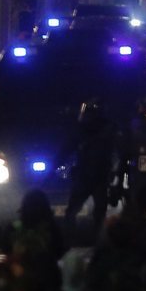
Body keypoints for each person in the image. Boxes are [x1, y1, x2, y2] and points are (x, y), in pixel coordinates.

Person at [60, 98, 117, 238]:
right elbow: (67, 149)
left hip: (96, 177)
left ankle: (93, 240)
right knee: (76, 211)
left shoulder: (107, 131)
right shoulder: (84, 131)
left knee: (95, 212)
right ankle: (73, 239)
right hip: (88, 177)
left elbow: (118, 153)